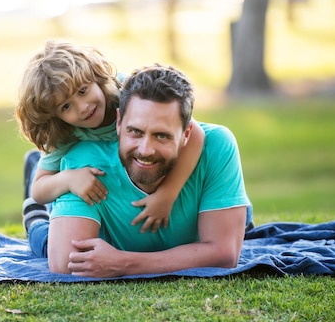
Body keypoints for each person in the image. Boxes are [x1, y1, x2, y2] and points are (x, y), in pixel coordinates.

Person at [45, 64, 253, 277]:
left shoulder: (216, 145)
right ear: (118, 123)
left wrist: (124, 263)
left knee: (243, 218)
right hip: (60, 199)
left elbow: (224, 255)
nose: (146, 150)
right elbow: (65, 264)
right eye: (135, 131)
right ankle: (34, 211)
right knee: (41, 235)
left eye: (161, 135)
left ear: (186, 133)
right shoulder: (84, 164)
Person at [15, 40, 205, 257]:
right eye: (66, 106)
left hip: (123, 185)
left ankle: (35, 162)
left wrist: (167, 195)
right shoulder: (63, 134)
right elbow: (39, 190)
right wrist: (68, 179)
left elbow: (196, 133)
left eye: (83, 91)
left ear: (96, 76)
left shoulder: (128, 93)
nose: (83, 107)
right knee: (54, 246)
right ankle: (35, 215)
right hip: (82, 189)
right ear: (55, 115)